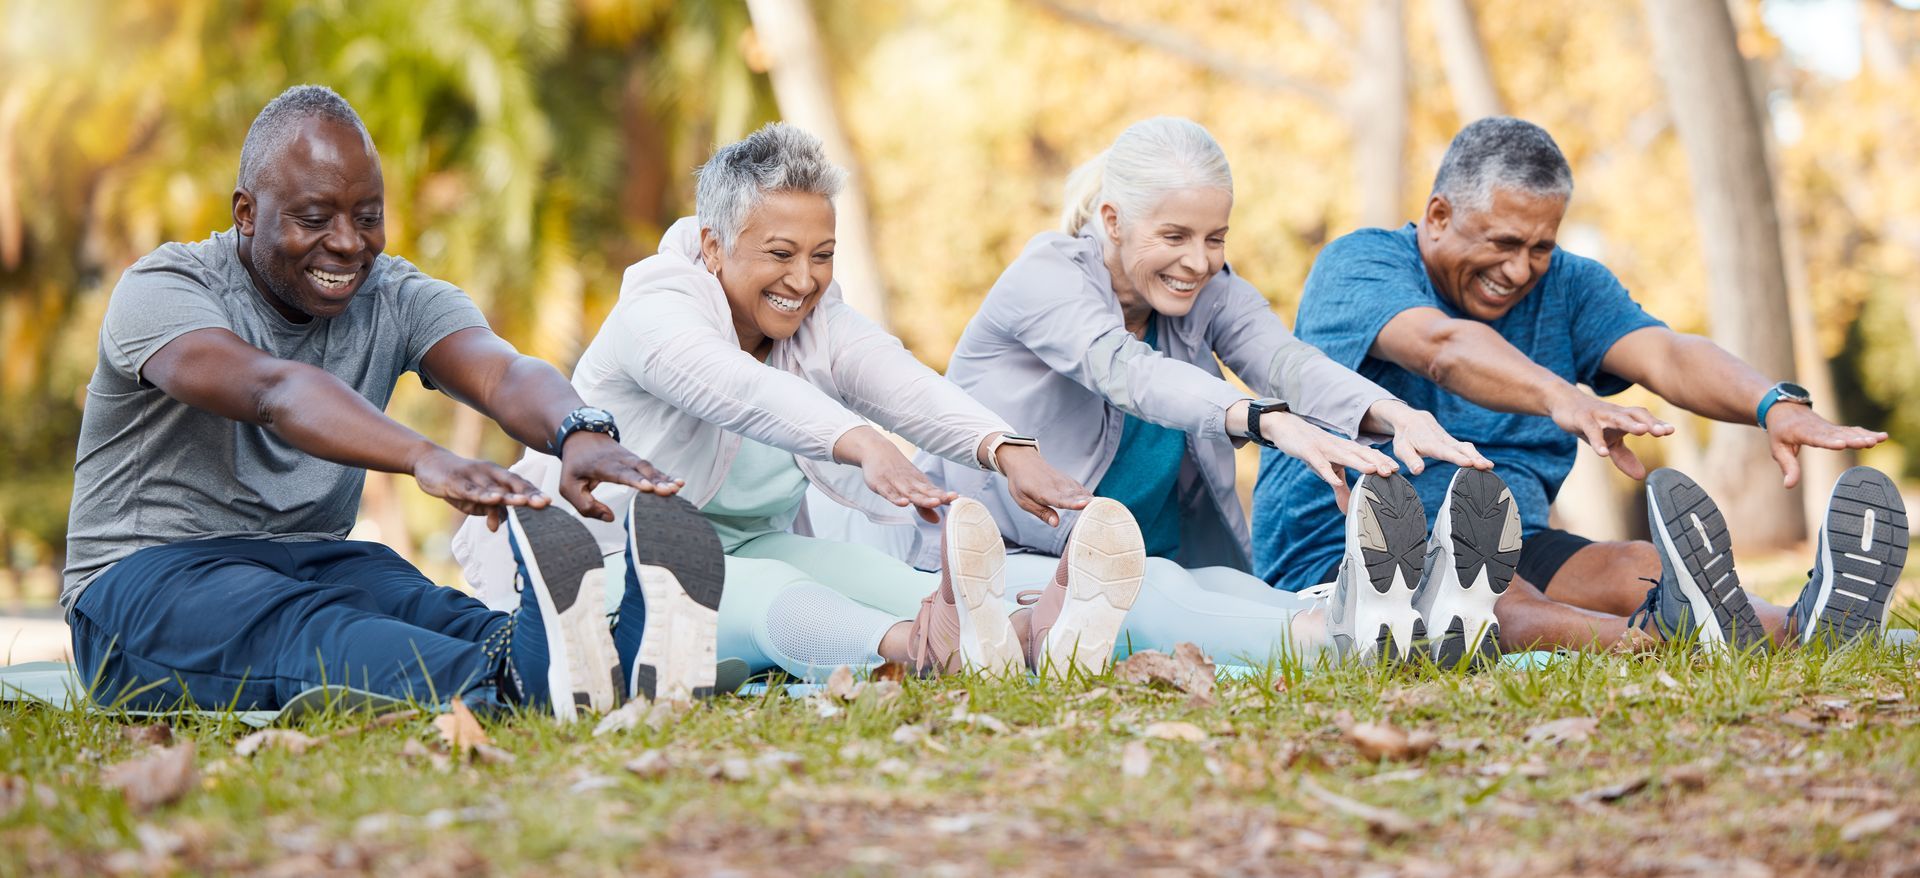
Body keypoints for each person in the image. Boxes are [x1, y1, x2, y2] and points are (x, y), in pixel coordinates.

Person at [61, 85, 705, 723]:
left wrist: (577, 429)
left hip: (315, 557)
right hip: (141, 584)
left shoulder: (394, 294)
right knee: (308, 627)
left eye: (367, 216)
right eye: (314, 219)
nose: (348, 243)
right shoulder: (163, 289)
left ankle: (605, 662)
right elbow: (273, 391)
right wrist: (424, 456)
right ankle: (511, 685)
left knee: (421, 606)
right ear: (246, 212)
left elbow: (500, 371)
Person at [453, 123, 1146, 683]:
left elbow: (894, 377)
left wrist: (1004, 448)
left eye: (823, 254)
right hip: (597, 567)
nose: (805, 278)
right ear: (714, 246)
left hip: (747, 543)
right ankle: (928, 648)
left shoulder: (814, 318)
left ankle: (1032, 636)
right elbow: (737, 388)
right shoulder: (656, 308)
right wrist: (860, 441)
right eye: (781, 252)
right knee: (774, 598)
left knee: (877, 575)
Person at [1253, 116, 1909, 653]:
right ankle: (1649, 642)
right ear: (1437, 214)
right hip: (1356, 546)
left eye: (1540, 246)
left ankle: (1806, 629)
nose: (1519, 270)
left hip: (1508, 535)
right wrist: (1562, 396)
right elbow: (1442, 349)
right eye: (1503, 241)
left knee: (1637, 567)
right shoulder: (1361, 264)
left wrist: (1770, 404)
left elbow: (1668, 355)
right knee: (1499, 603)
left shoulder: (1569, 284)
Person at [919, 116, 1505, 667]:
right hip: (1004, 566)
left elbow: (1283, 360)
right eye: (1174, 235)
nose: (1198, 262)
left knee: (1233, 591)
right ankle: (1340, 638)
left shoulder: (1205, 290)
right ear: (1114, 220)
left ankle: (1410, 622)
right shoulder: (1045, 278)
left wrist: (1393, 413)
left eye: (1215, 238)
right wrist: (1266, 421)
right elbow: (1130, 374)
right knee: (1150, 596)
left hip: (1151, 560)